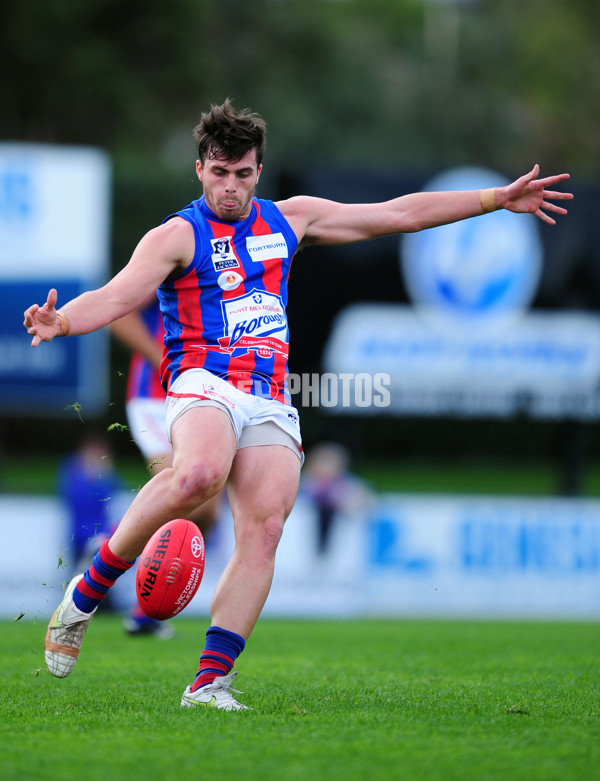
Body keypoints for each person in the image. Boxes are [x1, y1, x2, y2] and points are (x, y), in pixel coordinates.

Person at [24, 99, 572, 710]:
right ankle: (86, 595)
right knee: (199, 475)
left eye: (243, 173)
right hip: (203, 381)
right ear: (200, 168)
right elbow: (118, 295)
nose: (230, 186)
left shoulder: (292, 219)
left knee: (265, 530)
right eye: (219, 172)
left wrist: (495, 199)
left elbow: (398, 214)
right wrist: (62, 320)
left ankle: (209, 684)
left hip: (270, 397)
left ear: (258, 172)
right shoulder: (177, 235)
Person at [110, 300, 222, 636]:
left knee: (208, 513)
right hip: (156, 398)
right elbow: (119, 312)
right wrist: (164, 361)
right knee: (184, 492)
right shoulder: (174, 251)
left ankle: (144, 610)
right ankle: (106, 554)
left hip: (206, 399)